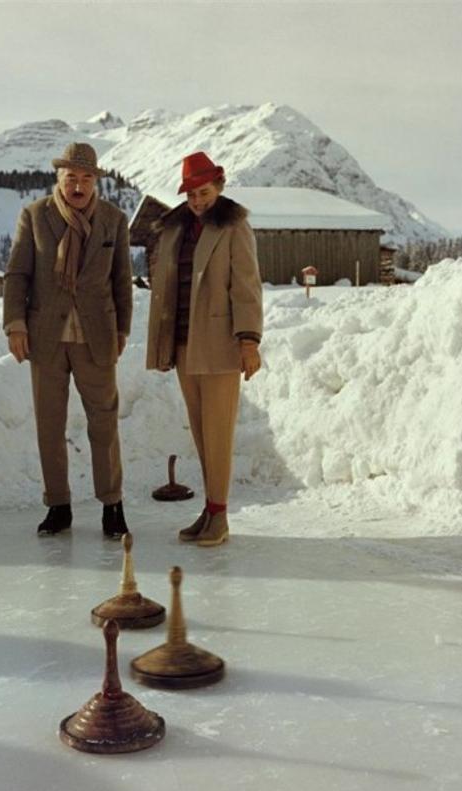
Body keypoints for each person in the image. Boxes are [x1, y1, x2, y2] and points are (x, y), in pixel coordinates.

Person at [3, 142, 133, 539]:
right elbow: (17, 274)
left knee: (104, 421)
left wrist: (123, 329)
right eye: (71, 178)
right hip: (46, 336)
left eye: (86, 178)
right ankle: (57, 504)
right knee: (49, 423)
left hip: (96, 335)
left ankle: (112, 504)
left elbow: (121, 280)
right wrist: (15, 324)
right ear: (59, 179)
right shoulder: (35, 215)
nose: (78, 186)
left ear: (96, 181)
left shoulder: (114, 219)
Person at [146, 152, 263, 547]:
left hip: (219, 344)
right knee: (200, 432)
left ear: (220, 187)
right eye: (192, 194)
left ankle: (220, 515)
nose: (198, 201)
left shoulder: (234, 226)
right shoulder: (176, 228)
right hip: (183, 344)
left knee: (217, 433)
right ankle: (211, 509)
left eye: (204, 192)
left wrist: (248, 341)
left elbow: (246, 287)